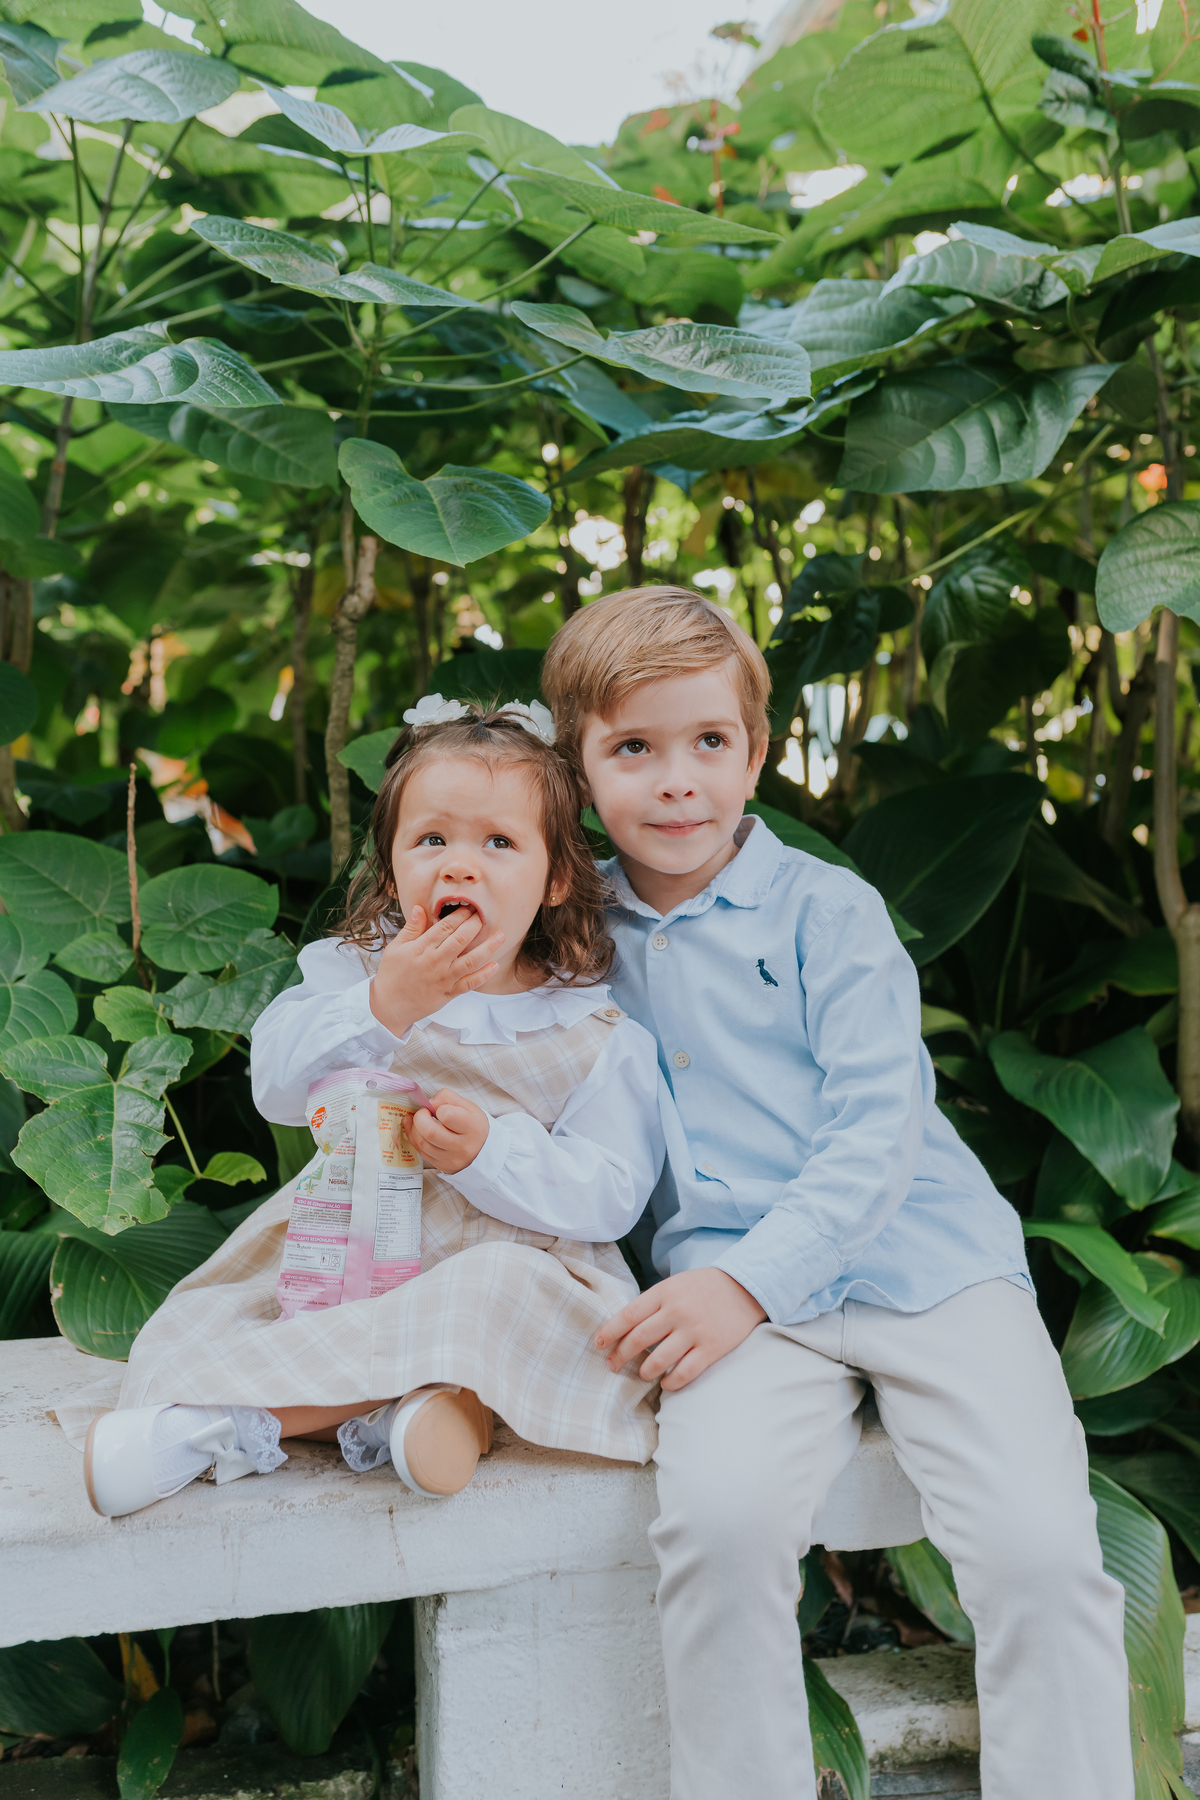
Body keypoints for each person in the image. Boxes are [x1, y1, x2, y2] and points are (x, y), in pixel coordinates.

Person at [540, 586, 1133, 1800]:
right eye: (634, 748)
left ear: (758, 753)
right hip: (738, 1303)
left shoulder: (829, 911)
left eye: (710, 741)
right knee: (717, 1528)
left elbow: (878, 1134)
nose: (678, 782)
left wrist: (747, 1286)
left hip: (926, 1267)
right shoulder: (571, 935)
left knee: (1039, 1552)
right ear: (577, 768)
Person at [73, 699, 666, 1519]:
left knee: (485, 1294)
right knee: (215, 1320)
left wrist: (489, 1154)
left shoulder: (592, 1026)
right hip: (348, 1247)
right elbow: (277, 1088)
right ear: (390, 869)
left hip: (514, 1269)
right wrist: (387, 1005)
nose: (461, 867)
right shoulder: (354, 974)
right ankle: (411, 1411)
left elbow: (612, 1190)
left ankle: (217, 1429)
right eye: (432, 840)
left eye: (499, 842)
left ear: (556, 877)